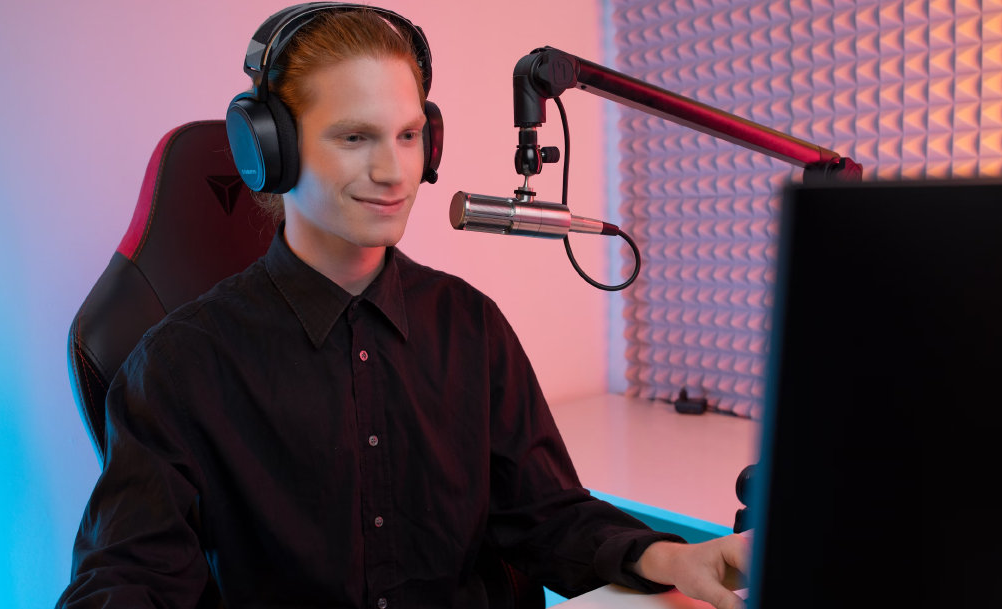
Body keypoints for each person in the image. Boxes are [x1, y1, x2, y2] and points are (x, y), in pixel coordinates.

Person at [57, 5, 749, 609]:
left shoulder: (470, 325)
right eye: (355, 137)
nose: (394, 172)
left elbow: (545, 514)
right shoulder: (181, 363)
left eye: (409, 135)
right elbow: (129, 573)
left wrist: (668, 557)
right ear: (270, 150)